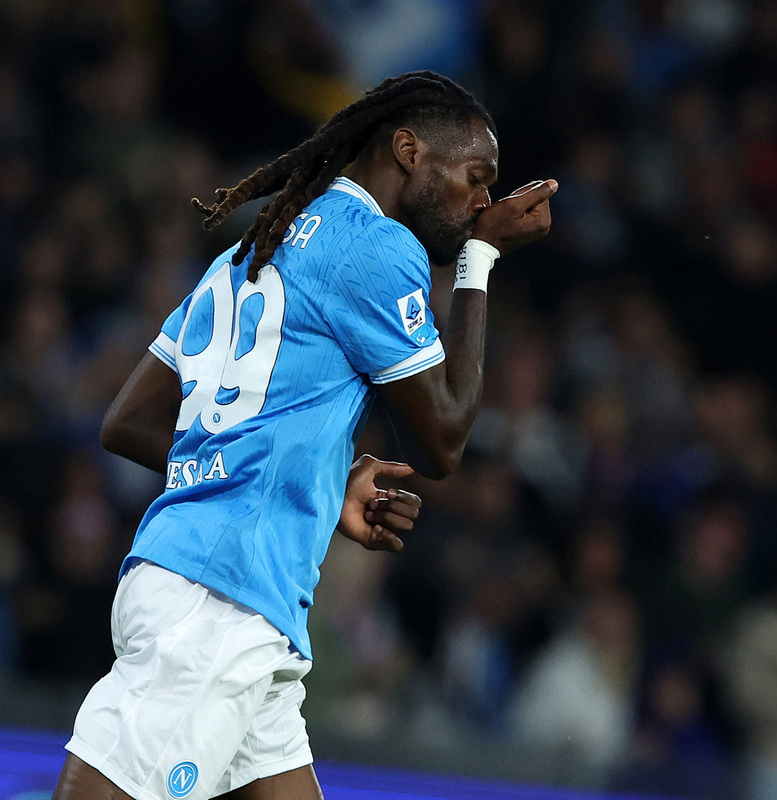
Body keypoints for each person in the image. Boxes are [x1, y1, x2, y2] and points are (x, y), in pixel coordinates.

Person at [51, 70, 557, 800]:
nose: (483, 200)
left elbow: (129, 421)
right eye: (476, 177)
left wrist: (316, 479)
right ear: (410, 150)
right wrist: (482, 258)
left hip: (217, 585)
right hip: (220, 600)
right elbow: (442, 443)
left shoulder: (255, 245)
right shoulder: (374, 249)